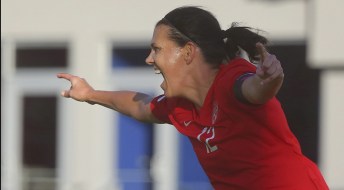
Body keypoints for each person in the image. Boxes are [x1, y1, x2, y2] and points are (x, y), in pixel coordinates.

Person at [57, 6, 329, 190]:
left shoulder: (232, 81)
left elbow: (254, 90)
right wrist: (90, 94)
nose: (149, 58)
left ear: (188, 52)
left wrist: (270, 80)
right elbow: (138, 106)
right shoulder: (180, 106)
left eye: (157, 49)